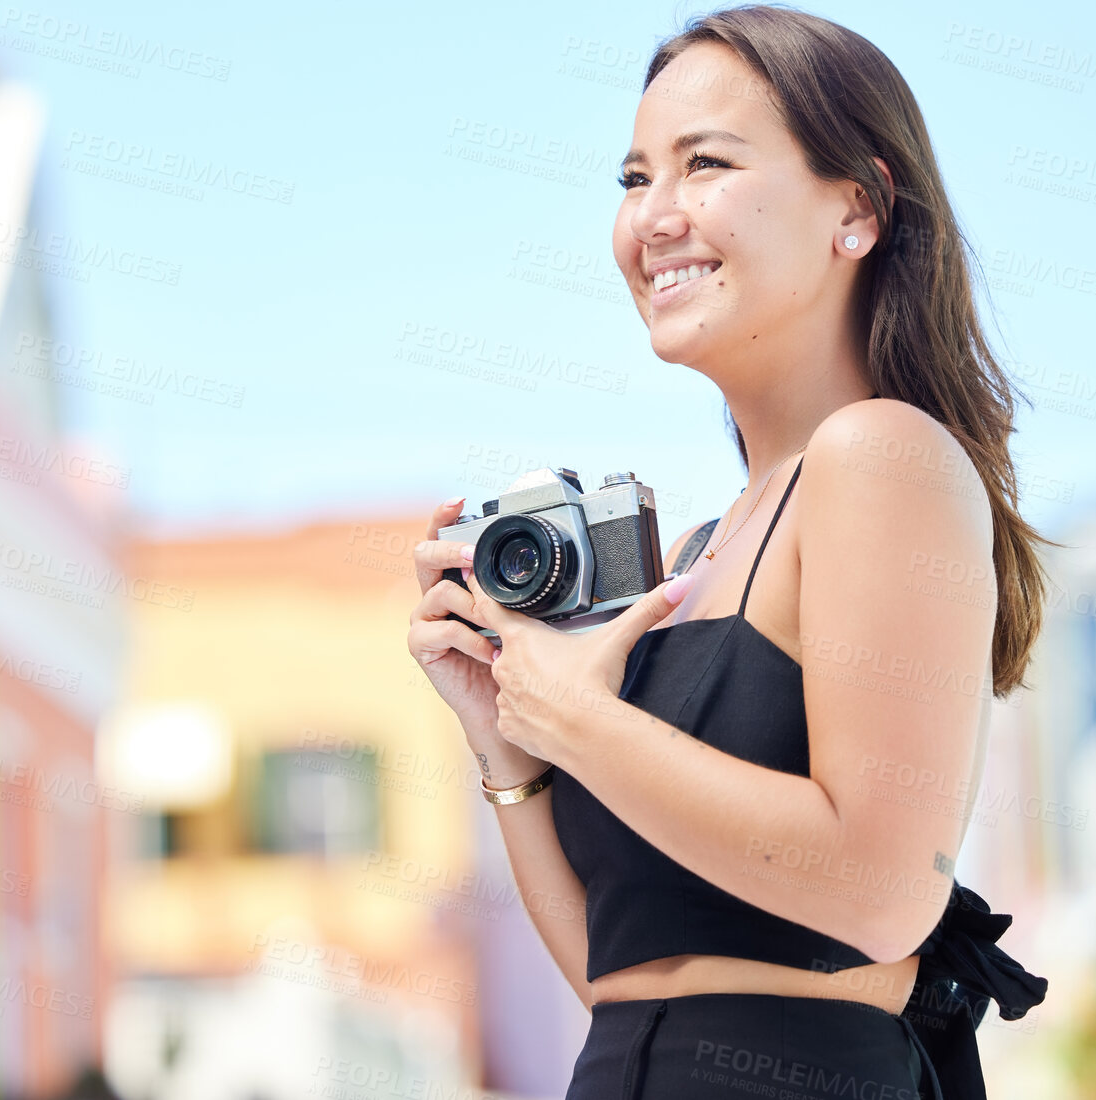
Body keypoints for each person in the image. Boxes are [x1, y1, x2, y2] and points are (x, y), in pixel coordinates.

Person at [406, 6, 1053, 1096]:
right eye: (630, 178)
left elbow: (881, 889)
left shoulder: (880, 455)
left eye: (702, 163)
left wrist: (573, 716)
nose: (652, 216)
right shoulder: (703, 548)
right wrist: (507, 747)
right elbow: (624, 978)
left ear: (855, 208)